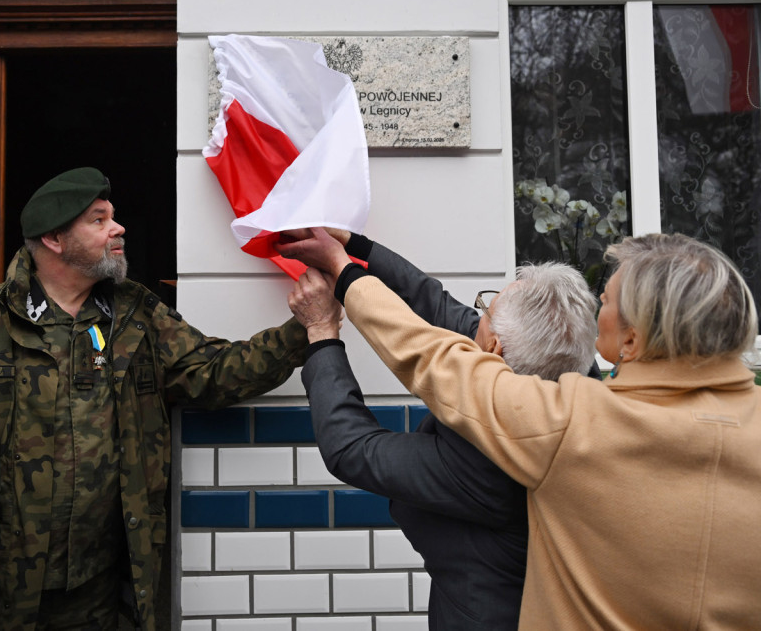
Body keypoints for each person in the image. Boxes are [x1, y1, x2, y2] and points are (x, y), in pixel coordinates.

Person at [279, 228, 761, 629]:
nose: (598, 304)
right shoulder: (576, 372)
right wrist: (357, 249)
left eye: (607, 300)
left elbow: (416, 375)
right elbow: (447, 315)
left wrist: (326, 324)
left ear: (632, 340)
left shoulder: (573, 423)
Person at [0, 167, 309, 631]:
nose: (118, 229)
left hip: (107, 585)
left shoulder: (136, 313)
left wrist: (304, 329)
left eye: (112, 217)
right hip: (3, 586)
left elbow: (212, 373)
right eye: (98, 220)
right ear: (55, 239)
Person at [279, 228, 598, 630]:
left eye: (485, 312)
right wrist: (356, 248)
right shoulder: (567, 366)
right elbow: (439, 307)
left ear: (495, 350)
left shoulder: (490, 460)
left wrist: (322, 332)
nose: (473, 316)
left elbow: (353, 448)